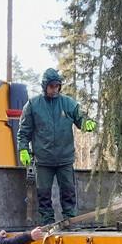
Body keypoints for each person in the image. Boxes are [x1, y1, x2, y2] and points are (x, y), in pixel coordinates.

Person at [17, 68, 96, 225]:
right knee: (44, 194)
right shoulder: (33, 105)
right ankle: (48, 222)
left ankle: (70, 221)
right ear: (45, 86)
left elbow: (80, 117)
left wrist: (87, 123)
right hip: (43, 158)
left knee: (68, 192)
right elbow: (24, 131)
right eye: (51, 86)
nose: (54, 89)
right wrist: (23, 149)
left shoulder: (68, 103)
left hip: (65, 158)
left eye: (57, 86)